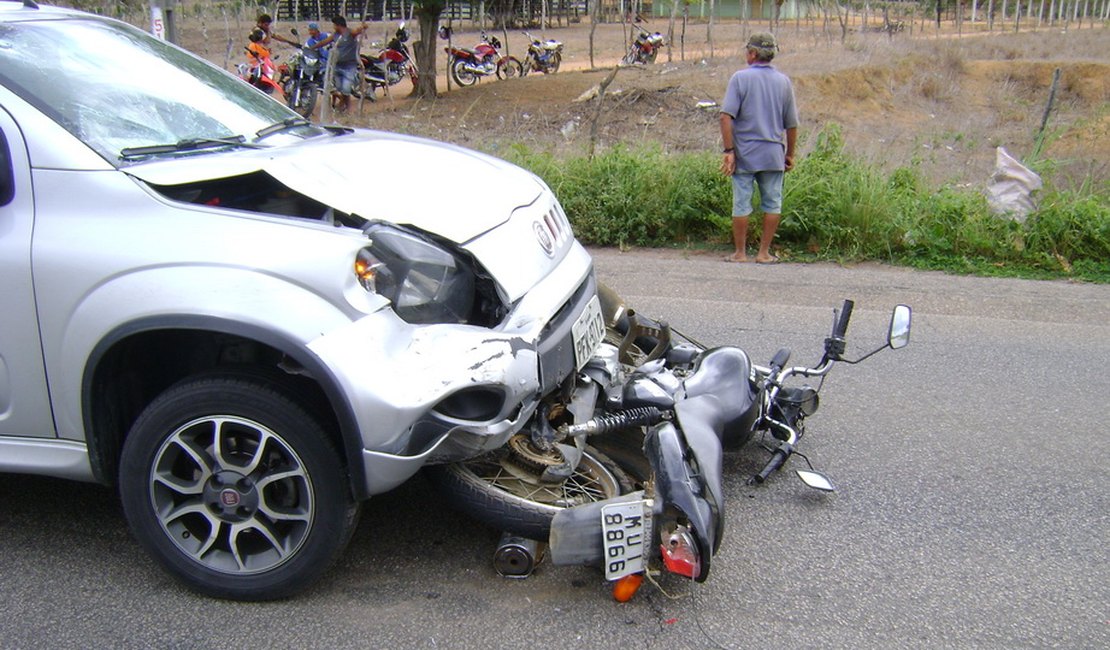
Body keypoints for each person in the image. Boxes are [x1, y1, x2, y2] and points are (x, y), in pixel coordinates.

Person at [719, 32, 798, 264]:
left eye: (747, 50)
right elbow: (791, 124)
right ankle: (763, 253)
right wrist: (790, 154)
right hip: (773, 154)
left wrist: (728, 151)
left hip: (745, 154)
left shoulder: (740, 79)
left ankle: (740, 253)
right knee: (773, 203)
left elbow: (726, 117)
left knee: (741, 203)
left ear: (753, 54)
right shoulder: (784, 82)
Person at [309, 15, 369, 113]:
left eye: (334, 25)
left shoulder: (350, 33)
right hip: (337, 65)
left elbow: (358, 31)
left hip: (349, 65)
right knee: (339, 87)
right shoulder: (335, 35)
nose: (333, 27)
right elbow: (324, 42)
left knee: (346, 88)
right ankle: (345, 107)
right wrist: (312, 48)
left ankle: (344, 106)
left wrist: (363, 27)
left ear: (338, 25)